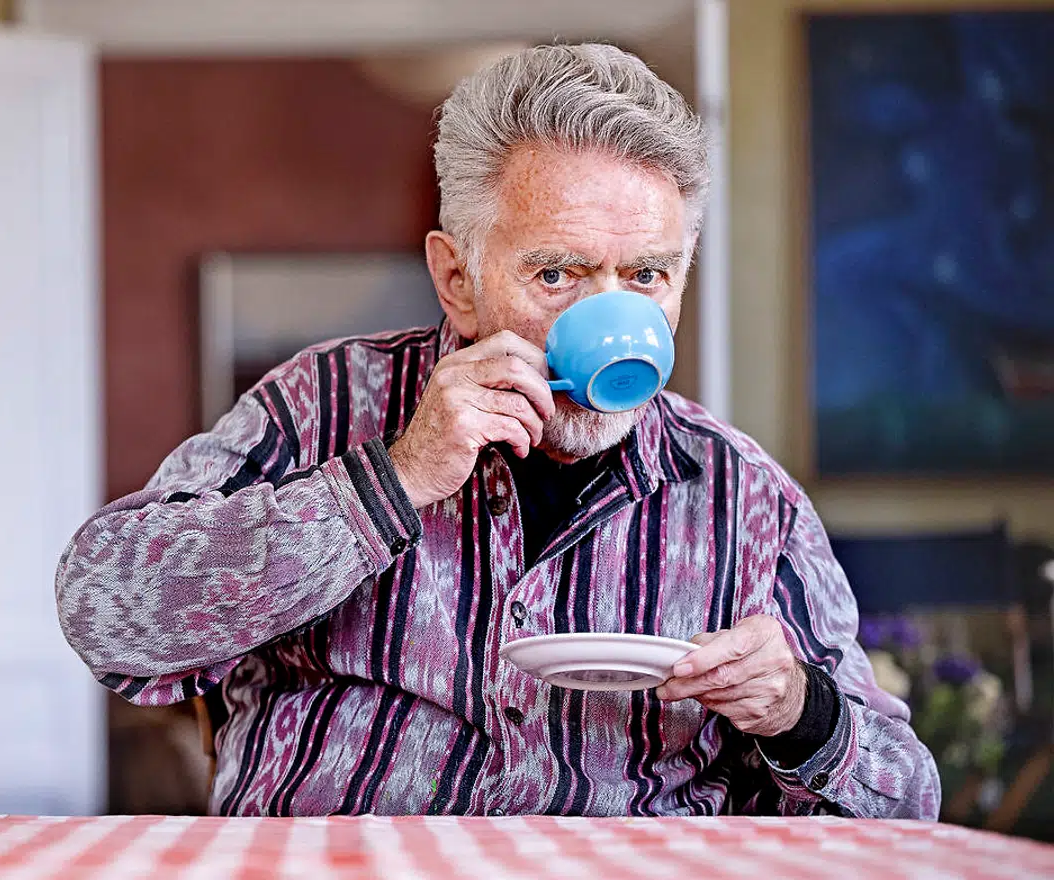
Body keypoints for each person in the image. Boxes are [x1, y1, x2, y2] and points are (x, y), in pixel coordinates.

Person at [56, 43, 940, 819]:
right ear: (458, 279)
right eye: (557, 273)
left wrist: (800, 712)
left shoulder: (741, 492)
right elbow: (104, 612)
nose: (612, 315)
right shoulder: (326, 400)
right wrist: (392, 480)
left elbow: (908, 802)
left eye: (648, 275)